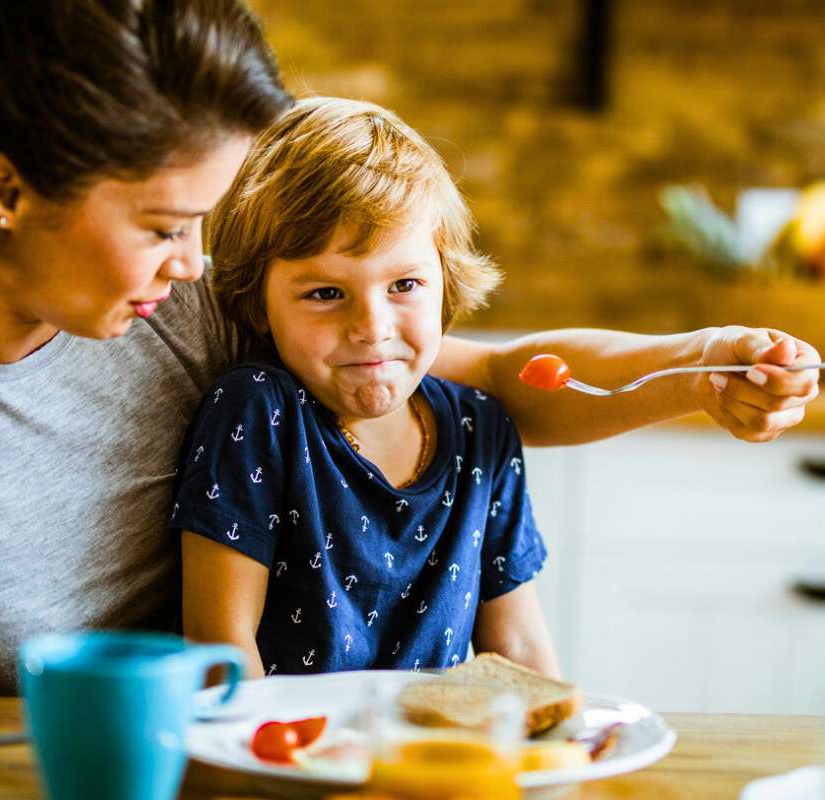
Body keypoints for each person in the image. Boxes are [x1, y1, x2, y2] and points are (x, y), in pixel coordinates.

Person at [0, 0, 823, 696]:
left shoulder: (174, 309)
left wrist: (702, 364)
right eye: (163, 224)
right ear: (1, 190)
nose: (196, 262)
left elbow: (505, 380)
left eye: (204, 222)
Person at [176, 97, 559, 679]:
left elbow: (521, 649)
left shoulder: (484, 429)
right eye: (326, 293)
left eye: (404, 284)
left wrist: (561, 731)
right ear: (257, 306)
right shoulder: (256, 412)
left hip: (430, 740)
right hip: (286, 738)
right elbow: (219, 646)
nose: (371, 327)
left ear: (445, 283)